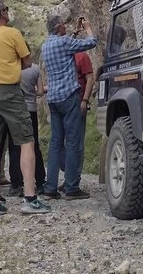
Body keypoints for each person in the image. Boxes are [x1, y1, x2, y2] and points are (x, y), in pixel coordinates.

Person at [0, 0, 50, 215]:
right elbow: (27, 62)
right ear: (3, 13)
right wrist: (12, 64)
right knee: (27, 142)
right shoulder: (12, 33)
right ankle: (30, 197)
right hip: (9, 91)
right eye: (7, 9)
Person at [41, 14, 96, 200]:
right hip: (69, 96)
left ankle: (50, 188)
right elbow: (92, 42)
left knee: (56, 143)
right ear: (58, 27)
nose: (65, 26)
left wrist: (74, 33)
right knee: (73, 142)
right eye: (63, 25)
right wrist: (87, 28)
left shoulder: (46, 45)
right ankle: (72, 187)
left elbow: (65, 47)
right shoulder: (64, 42)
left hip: (53, 98)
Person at [59, 51, 94, 187]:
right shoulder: (62, 55)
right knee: (60, 142)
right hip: (63, 103)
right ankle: (69, 173)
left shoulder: (82, 56)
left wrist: (85, 100)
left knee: (76, 142)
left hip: (78, 102)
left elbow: (90, 79)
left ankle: (73, 179)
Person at [13, 57, 46, 196]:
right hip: (31, 109)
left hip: (15, 110)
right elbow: (40, 92)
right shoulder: (35, 69)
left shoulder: (12, 67)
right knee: (34, 146)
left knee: (15, 147)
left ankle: (17, 183)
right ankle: (40, 182)